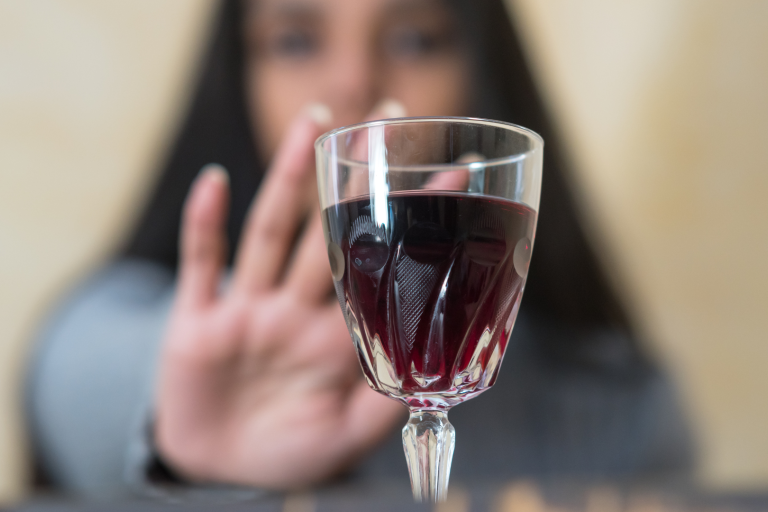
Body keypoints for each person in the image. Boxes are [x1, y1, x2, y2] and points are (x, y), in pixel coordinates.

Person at [26, 0, 693, 498]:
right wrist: (184, 445)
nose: (354, 80)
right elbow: (70, 373)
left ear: (484, 71)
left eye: (414, 38)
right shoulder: (104, 329)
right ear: (237, 79)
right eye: (295, 40)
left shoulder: (617, 411)